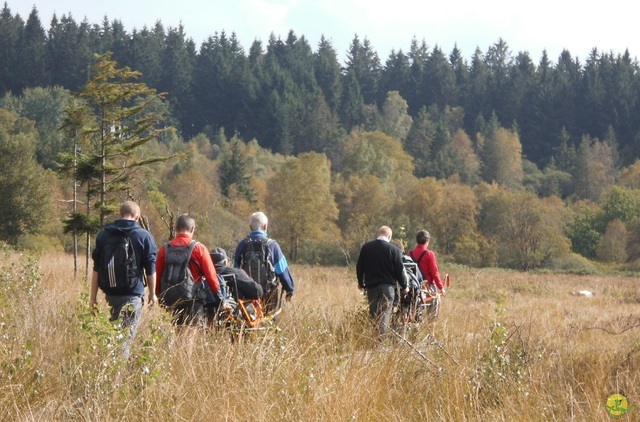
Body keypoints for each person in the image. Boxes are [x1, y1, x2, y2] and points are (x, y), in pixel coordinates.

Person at [89, 201, 158, 358]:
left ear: (119, 215)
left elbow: (96, 269)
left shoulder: (104, 234)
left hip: (110, 294)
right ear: (138, 217)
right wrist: (152, 294)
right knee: (124, 339)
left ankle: (107, 369)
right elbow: (150, 268)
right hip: (133, 295)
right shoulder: (143, 236)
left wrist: (92, 298)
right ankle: (117, 378)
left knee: (114, 335)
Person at [156, 214, 220, 325]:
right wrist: (219, 297)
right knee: (189, 335)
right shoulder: (199, 248)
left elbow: (158, 275)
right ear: (192, 229)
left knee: (175, 331)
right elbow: (211, 276)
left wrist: (158, 295)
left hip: (170, 298)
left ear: (175, 229)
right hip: (192, 299)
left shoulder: (165, 249)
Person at [234, 212, 294, 314]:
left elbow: (235, 270)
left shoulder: (242, 245)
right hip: (269, 293)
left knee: (247, 322)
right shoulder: (273, 246)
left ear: (250, 227)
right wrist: (290, 289)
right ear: (265, 226)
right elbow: (283, 271)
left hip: (246, 295)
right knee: (269, 322)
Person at [356, 226, 408, 337]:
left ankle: (375, 337)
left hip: (371, 287)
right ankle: (380, 339)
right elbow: (399, 270)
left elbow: (360, 267)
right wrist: (404, 286)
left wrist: (361, 283)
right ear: (390, 236)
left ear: (378, 234)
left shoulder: (366, 248)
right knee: (384, 313)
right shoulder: (394, 249)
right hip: (388, 287)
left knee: (374, 313)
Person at [407, 230, 445, 320]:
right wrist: (441, 288)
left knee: (414, 308)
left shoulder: (410, 253)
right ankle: (431, 329)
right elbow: (434, 272)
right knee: (434, 307)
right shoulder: (429, 254)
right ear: (427, 241)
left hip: (413, 286)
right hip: (427, 287)